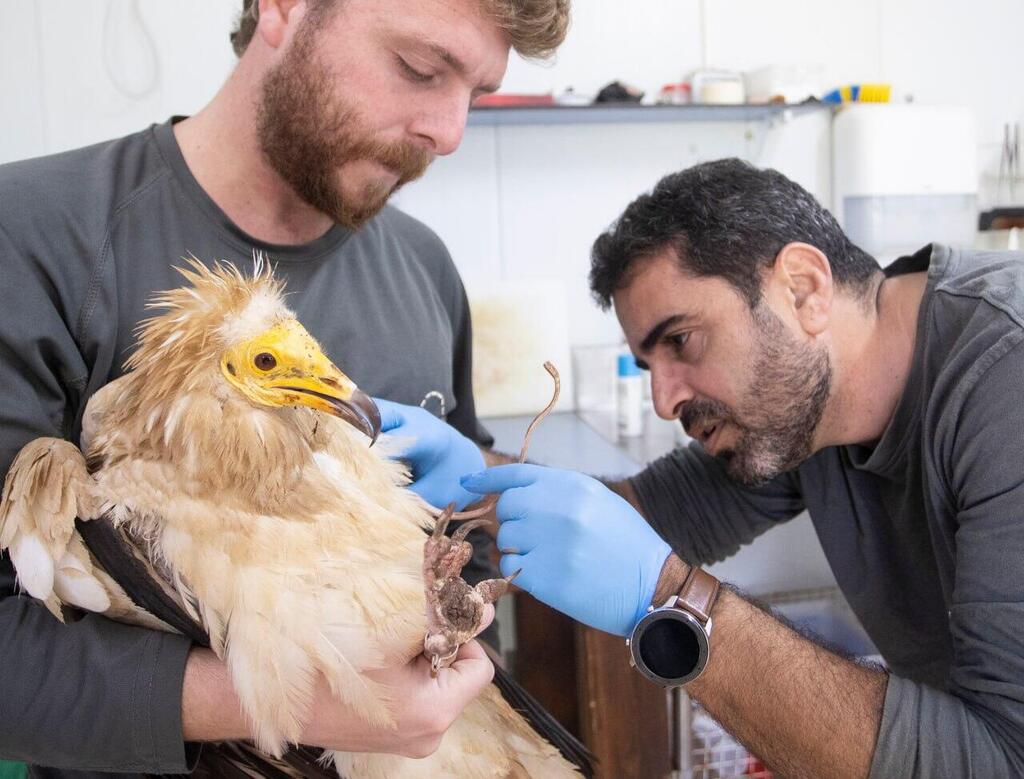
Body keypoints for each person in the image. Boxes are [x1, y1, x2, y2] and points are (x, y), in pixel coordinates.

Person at [0, 0, 569, 774]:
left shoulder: (423, 265)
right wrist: (288, 700)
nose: (449, 132)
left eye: (479, 92)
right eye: (420, 69)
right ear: (284, 8)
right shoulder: (31, 237)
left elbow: (459, 542)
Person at [394, 158, 1024, 778]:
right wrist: (469, 477)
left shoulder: (1005, 376)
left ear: (802, 289)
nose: (665, 401)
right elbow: (638, 517)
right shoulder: (806, 403)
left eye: (682, 341)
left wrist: (674, 599)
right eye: (649, 367)